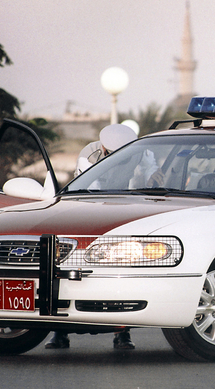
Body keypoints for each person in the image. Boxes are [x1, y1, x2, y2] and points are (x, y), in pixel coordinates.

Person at [46, 123, 138, 350]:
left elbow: (150, 179)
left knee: (120, 275)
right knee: (63, 271)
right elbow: (88, 184)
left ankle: (122, 334)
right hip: (87, 208)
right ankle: (59, 332)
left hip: (125, 208)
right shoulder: (90, 153)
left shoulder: (139, 152)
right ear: (105, 147)